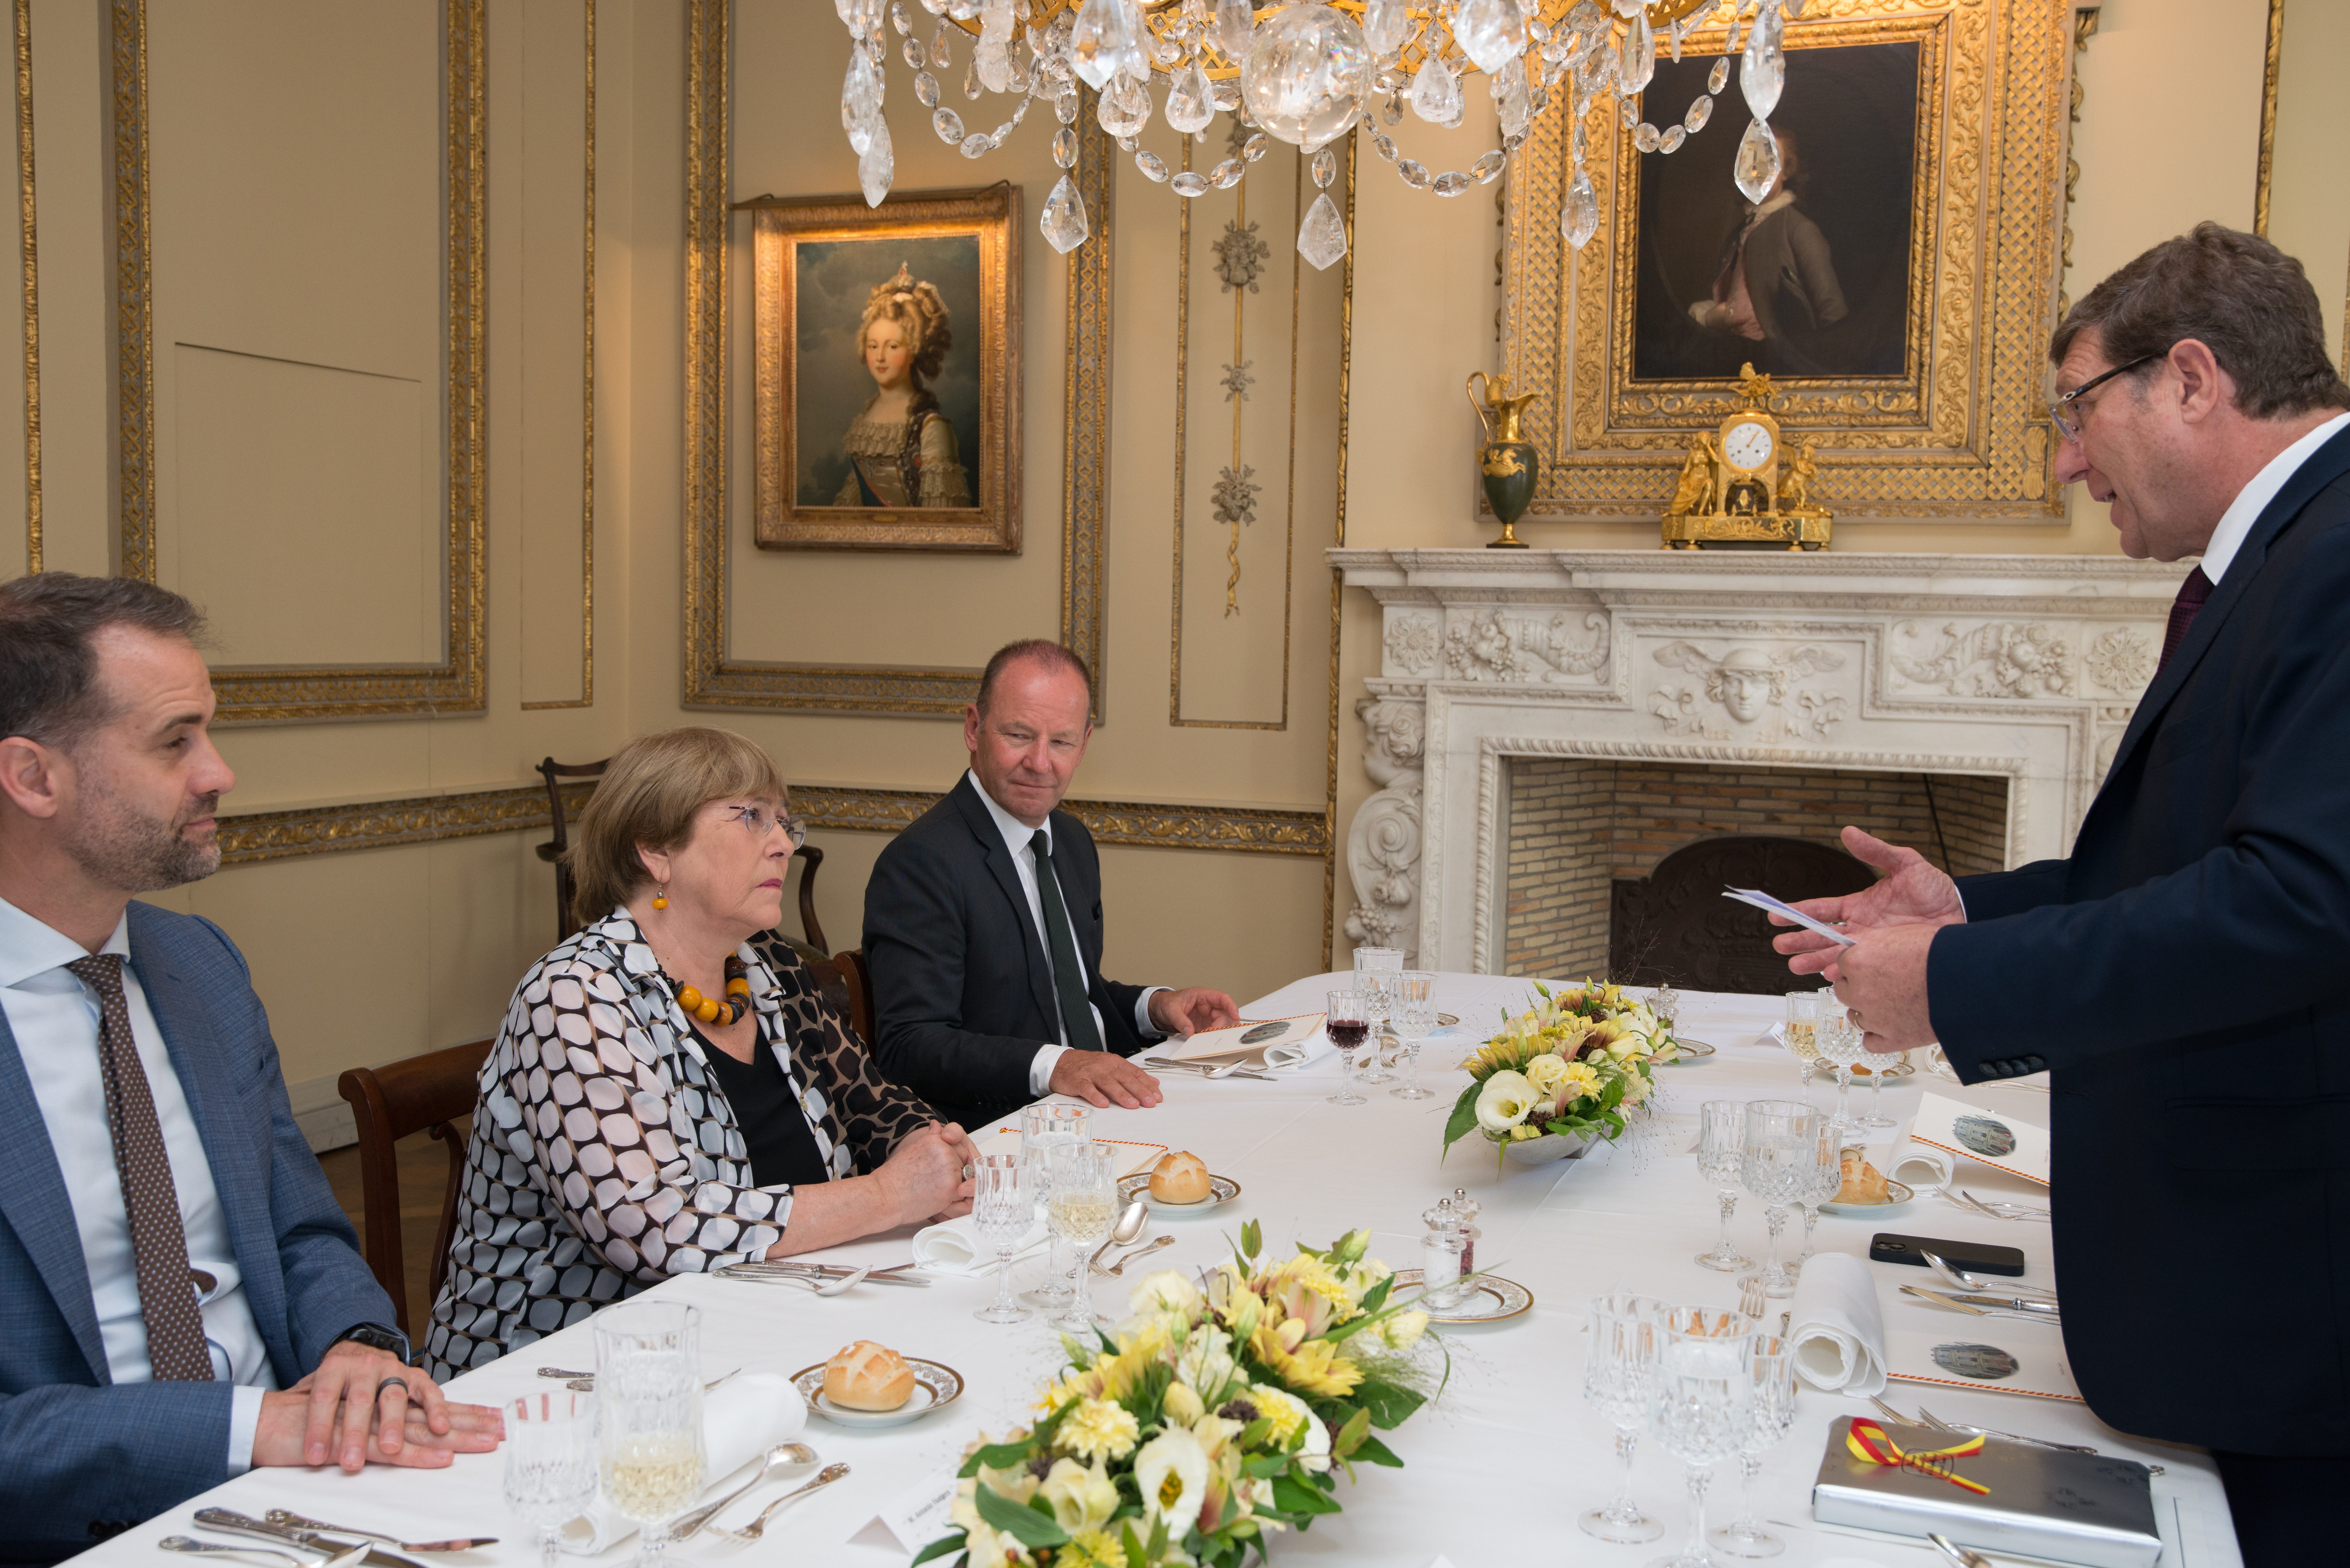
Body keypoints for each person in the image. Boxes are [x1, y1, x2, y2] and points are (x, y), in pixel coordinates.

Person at [1770, 223, 2350, 1567]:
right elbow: (2188, 873)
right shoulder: (2278, 558)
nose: (2066, 457)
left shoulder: (2333, 558)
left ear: (2192, 379)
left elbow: (2301, 905)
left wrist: (1954, 988)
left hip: (2293, 1303)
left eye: (2082, 408)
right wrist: (1968, 909)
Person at [0, 574, 500, 1558]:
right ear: (32, 776)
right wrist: (249, 1425)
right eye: (173, 739)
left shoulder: (200, 967)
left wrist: (356, 1346)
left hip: (309, 1487)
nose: (219, 772)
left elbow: (301, 1228)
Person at [424, 727, 976, 1378]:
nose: (781, 843)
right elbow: (657, 1227)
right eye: (750, 817)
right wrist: (887, 1195)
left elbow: (871, 1103)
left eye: (783, 822)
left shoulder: (769, 970)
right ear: (655, 849)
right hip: (553, 1378)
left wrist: (929, 1148)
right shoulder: (575, 995)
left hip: (749, 1337)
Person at [862, 640, 1241, 1132]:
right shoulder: (921, 862)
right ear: (974, 728)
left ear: (1083, 745)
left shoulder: (1069, 839)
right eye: (1019, 735)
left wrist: (1155, 1007)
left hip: (1106, 1107)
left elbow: (1064, 991)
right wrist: (1059, 1066)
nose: (1040, 763)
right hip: (1006, 1130)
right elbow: (910, 1045)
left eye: (1061, 742)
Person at [1687, 129, 1848, 374]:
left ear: (1787, 171)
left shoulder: (1799, 230)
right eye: (1751, 159)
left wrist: (1719, 316)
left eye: (1770, 160)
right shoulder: (1745, 228)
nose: (1758, 168)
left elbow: (1833, 314)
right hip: (1738, 358)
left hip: (1776, 363)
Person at [830, 263, 973, 509]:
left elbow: (940, 520)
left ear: (914, 350)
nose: (880, 357)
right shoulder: (868, 417)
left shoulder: (930, 428)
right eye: (873, 346)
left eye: (893, 346)